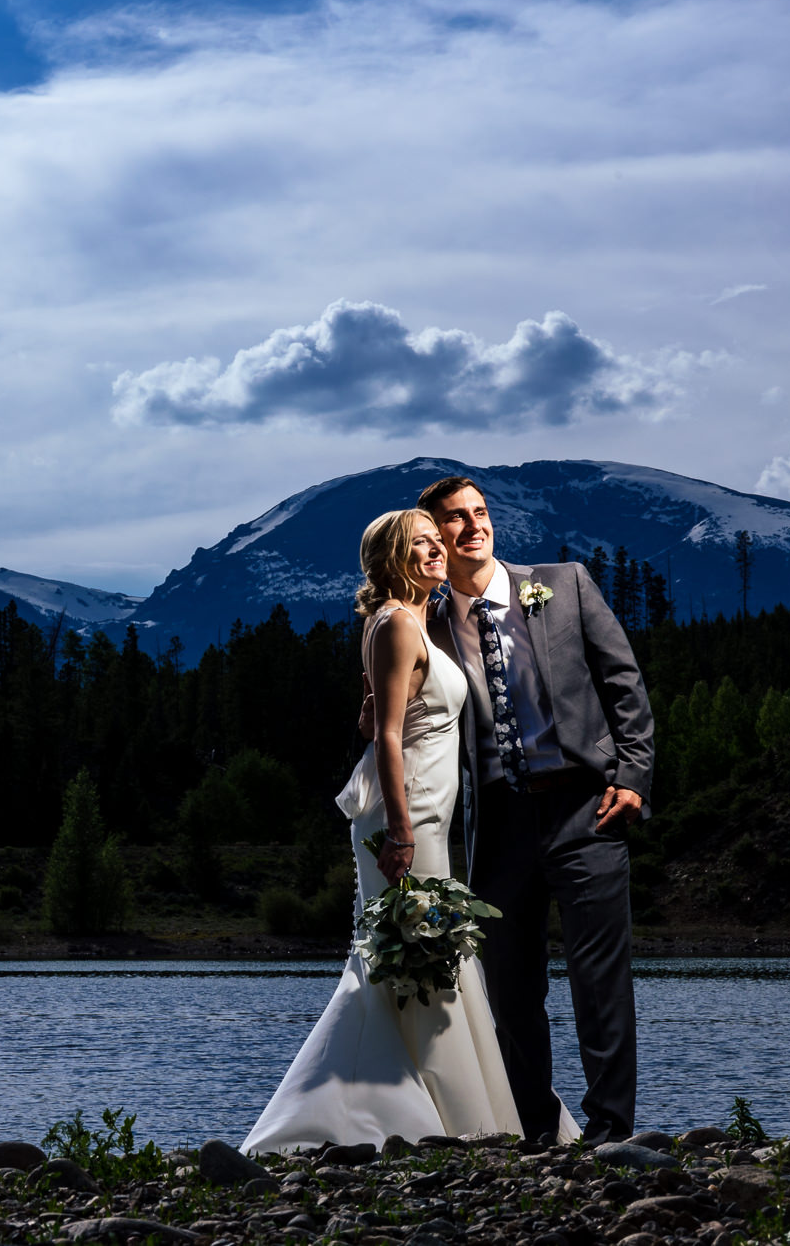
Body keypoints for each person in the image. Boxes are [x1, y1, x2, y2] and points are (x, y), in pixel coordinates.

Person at [240, 509, 538, 1154]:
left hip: (427, 809)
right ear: (392, 559)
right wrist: (401, 830)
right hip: (410, 818)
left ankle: (443, 1109)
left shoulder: (409, 621)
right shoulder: (399, 623)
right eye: (421, 545)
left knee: (425, 954)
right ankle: (389, 1116)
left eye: (438, 543)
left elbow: (380, 723)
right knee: (414, 953)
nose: (437, 552)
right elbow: (394, 739)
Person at [414, 474, 653, 1147]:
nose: (474, 526)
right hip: (496, 825)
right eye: (455, 519)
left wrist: (633, 775)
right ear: (435, 537)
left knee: (600, 982)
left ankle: (610, 1130)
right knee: (511, 994)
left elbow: (624, 682)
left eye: (480, 512)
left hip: (586, 808)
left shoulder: (564, 583)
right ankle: (537, 1129)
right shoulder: (429, 623)